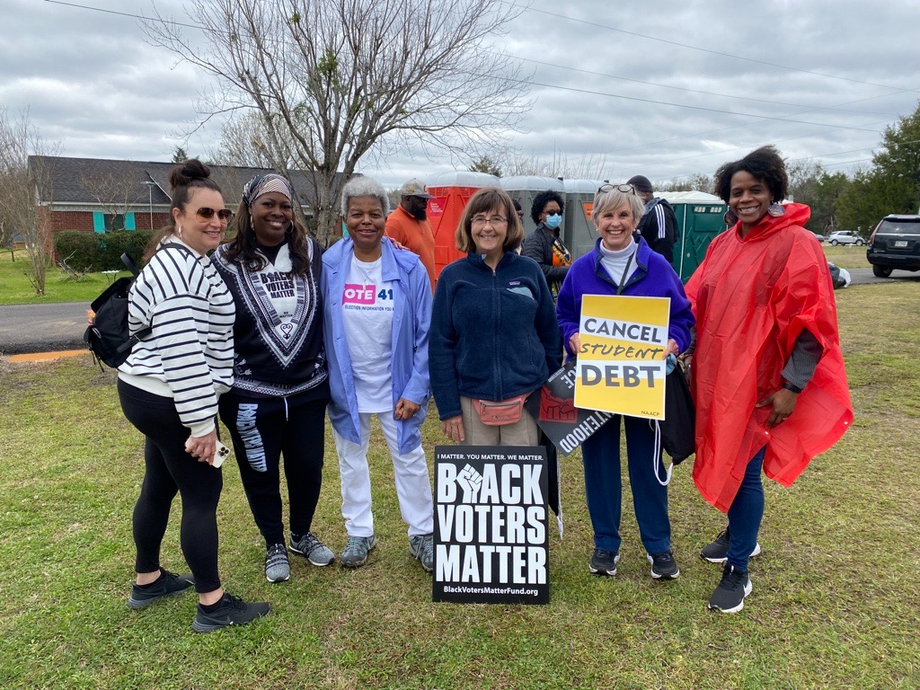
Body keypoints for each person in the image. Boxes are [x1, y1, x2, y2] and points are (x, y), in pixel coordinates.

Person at [685, 146, 852, 613]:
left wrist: (792, 387)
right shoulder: (725, 242)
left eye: (754, 189)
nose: (745, 199)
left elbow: (813, 322)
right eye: (736, 192)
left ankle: (738, 567)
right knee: (729, 460)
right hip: (718, 379)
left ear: (773, 190)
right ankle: (741, 534)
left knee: (746, 470)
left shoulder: (798, 244)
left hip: (761, 384)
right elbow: (692, 299)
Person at [117, 159, 270, 632]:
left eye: (222, 214)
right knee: (202, 493)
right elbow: (184, 352)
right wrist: (203, 426)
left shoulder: (177, 259)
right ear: (178, 216)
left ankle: (148, 579)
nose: (217, 223)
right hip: (170, 396)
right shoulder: (181, 273)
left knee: (159, 484)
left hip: (145, 391)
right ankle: (212, 603)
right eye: (205, 214)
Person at [556, 183, 694, 581]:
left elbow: (683, 319)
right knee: (599, 465)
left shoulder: (659, 267)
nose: (615, 223)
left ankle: (658, 546)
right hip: (597, 382)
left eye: (624, 216)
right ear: (595, 220)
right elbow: (563, 315)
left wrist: (674, 342)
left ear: (636, 221)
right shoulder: (581, 270)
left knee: (646, 464)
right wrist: (572, 336)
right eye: (607, 215)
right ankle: (605, 544)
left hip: (644, 385)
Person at [214, 173, 334, 584]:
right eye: (268, 204)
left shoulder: (312, 253)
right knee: (259, 471)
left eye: (285, 205)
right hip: (250, 393)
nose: (278, 212)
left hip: (307, 389)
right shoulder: (222, 260)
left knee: (307, 467)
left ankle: (301, 533)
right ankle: (274, 542)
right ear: (249, 208)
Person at [322, 176, 435, 572]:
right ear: (344, 218)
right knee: (351, 458)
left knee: (409, 457)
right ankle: (360, 532)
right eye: (357, 214)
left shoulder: (408, 267)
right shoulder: (330, 265)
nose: (365, 221)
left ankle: (422, 532)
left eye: (373, 213)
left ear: (387, 217)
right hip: (347, 387)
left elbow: (426, 334)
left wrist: (417, 389)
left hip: (397, 386)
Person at [430, 187, 561, 447]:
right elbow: (440, 345)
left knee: (522, 486)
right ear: (468, 225)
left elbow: (550, 335)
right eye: (479, 219)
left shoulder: (530, 271)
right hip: (470, 402)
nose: (487, 227)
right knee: (476, 487)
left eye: (496, 219)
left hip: (526, 399)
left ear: (509, 225)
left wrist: (552, 397)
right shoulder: (452, 277)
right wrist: (448, 407)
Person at [385, 178, 437, 292]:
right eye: (421, 200)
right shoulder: (393, 223)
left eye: (427, 200)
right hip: (410, 296)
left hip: (428, 293)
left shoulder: (425, 220)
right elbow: (388, 267)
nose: (426, 204)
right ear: (407, 198)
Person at [521, 190, 572, 296]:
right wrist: (569, 270)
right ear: (540, 215)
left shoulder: (556, 238)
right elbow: (536, 269)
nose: (556, 216)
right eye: (551, 213)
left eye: (558, 212)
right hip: (545, 297)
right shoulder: (535, 240)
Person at [626, 174, 678, 264]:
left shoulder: (659, 211)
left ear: (646, 194)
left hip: (654, 269)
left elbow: (663, 245)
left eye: (633, 195)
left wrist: (658, 271)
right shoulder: (643, 212)